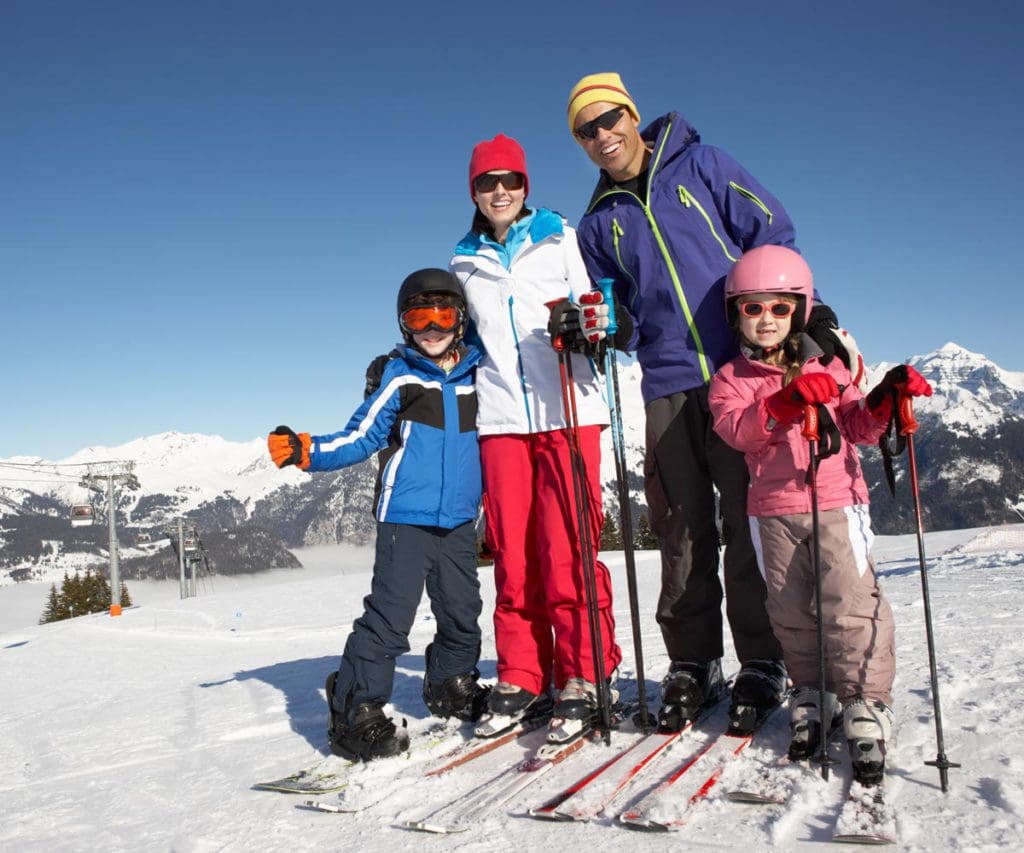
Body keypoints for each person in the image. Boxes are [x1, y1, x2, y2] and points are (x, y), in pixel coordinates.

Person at [566, 71, 859, 732]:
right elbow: (623, 317)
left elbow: (774, 232)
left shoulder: (702, 165)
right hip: (667, 381)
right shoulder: (597, 226)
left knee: (750, 522)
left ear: (632, 116)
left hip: (745, 370)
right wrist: (601, 329)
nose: (603, 135)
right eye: (587, 129)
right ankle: (694, 660)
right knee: (681, 524)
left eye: (611, 119)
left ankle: (764, 656)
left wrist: (799, 314)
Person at [707, 244, 932, 781]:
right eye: (753, 307)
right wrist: (783, 404)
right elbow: (738, 432)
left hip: (837, 501)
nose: (766, 319)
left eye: (780, 308)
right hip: (772, 510)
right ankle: (813, 688)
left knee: (849, 603)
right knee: (788, 608)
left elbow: (856, 426)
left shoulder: (830, 366)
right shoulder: (730, 378)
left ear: (801, 310)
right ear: (736, 312)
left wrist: (882, 403)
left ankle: (866, 698)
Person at [267, 268, 488, 761]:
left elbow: (493, 448)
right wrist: (305, 450)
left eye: (443, 315)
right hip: (405, 518)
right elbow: (361, 436)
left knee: (462, 611)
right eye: (418, 317)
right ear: (403, 323)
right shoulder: (401, 375)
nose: (431, 329)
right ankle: (355, 710)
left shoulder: (479, 376)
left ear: (461, 319)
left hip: (457, 520)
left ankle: (451, 682)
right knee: (391, 618)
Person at [448, 133, 624, 734]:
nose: (499, 191)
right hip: (500, 420)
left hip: (568, 409)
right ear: (473, 190)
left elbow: (603, 308)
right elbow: (460, 341)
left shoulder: (560, 237)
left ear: (526, 187)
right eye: (486, 182)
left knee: (566, 548)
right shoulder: (463, 262)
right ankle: (524, 672)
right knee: (514, 555)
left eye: (510, 181)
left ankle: (585, 670)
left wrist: (588, 325)